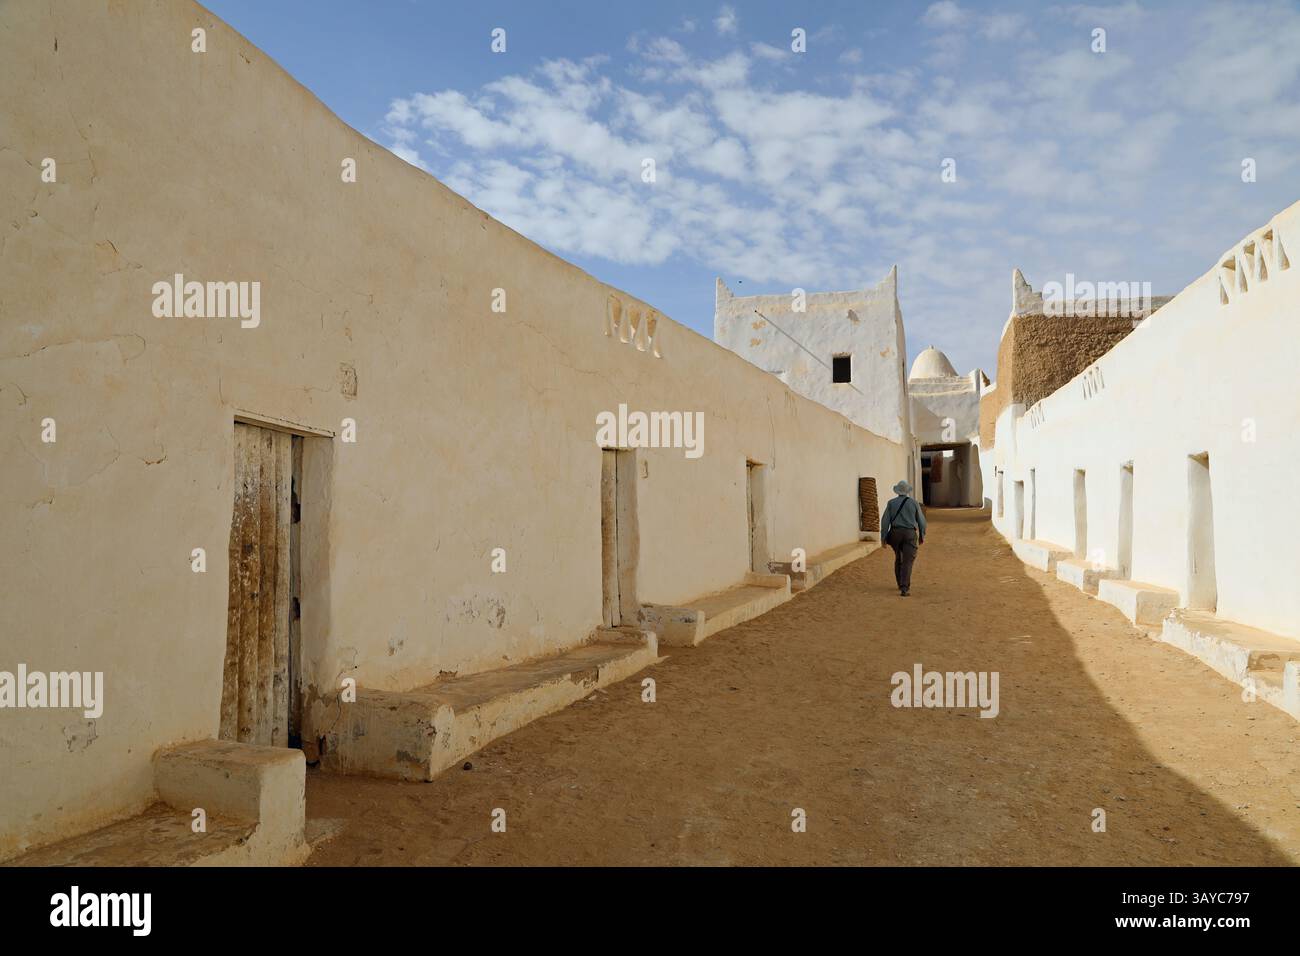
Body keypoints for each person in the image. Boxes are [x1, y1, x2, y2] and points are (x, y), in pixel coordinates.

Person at [879, 479, 926, 596]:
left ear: (897, 491)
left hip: (895, 533)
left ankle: (900, 583)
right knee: (908, 560)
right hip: (910, 534)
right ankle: (904, 587)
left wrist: (883, 537)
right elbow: (921, 520)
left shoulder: (891, 503)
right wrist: (922, 535)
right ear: (907, 491)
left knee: (898, 557)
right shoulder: (914, 503)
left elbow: (885, 521)